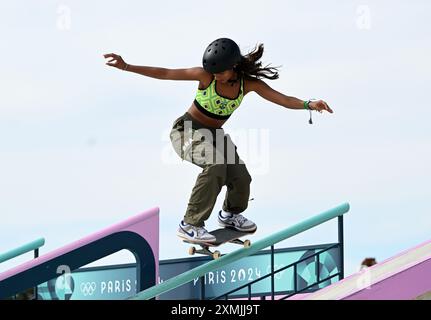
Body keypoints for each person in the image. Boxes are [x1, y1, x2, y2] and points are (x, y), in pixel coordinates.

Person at [104, 38, 333, 243]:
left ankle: (230, 215)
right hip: (186, 131)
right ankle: (190, 224)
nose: (215, 77)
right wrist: (127, 66)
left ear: (233, 67)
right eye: (212, 73)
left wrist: (308, 104)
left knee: (240, 176)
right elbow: (165, 73)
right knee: (215, 165)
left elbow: (282, 99)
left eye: (220, 73)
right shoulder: (204, 76)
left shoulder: (248, 84)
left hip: (214, 136)